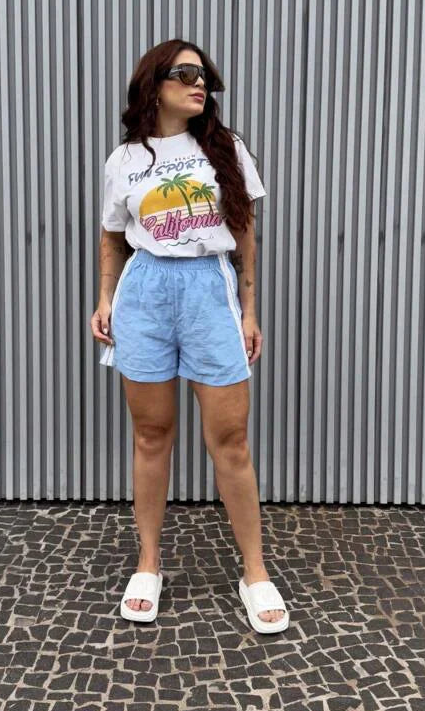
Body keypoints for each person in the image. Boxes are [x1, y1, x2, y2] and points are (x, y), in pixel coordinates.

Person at [90, 39, 289, 634]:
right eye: (185, 73)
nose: (200, 84)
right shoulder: (124, 160)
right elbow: (113, 237)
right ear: (154, 84)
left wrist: (249, 311)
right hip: (145, 293)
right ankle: (148, 563)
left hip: (209, 291)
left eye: (206, 77)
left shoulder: (226, 148)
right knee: (151, 435)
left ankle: (254, 571)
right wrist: (104, 298)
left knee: (231, 439)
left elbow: (244, 236)